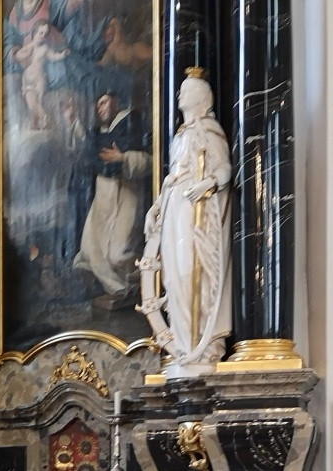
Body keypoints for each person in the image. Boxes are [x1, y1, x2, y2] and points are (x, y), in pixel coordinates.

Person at [139, 70, 231, 377]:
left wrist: (208, 184)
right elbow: (171, 179)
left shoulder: (209, 132)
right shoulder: (180, 136)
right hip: (175, 209)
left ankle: (200, 344)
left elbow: (225, 170)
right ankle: (181, 342)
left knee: (194, 270)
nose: (179, 95)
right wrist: (156, 208)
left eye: (185, 91)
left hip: (197, 214)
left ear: (200, 98)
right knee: (175, 276)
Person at [72, 90, 151, 310]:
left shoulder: (132, 122)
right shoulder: (100, 131)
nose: (100, 108)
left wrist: (123, 158)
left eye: (104, 102)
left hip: (127, 191)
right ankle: (121, 291)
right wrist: (73, 122)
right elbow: (87, 148)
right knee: (94, 250)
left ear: (116, 100)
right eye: (97, 105)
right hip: (103, 193)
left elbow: (151, 161)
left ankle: (142, 283)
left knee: (118, 253)